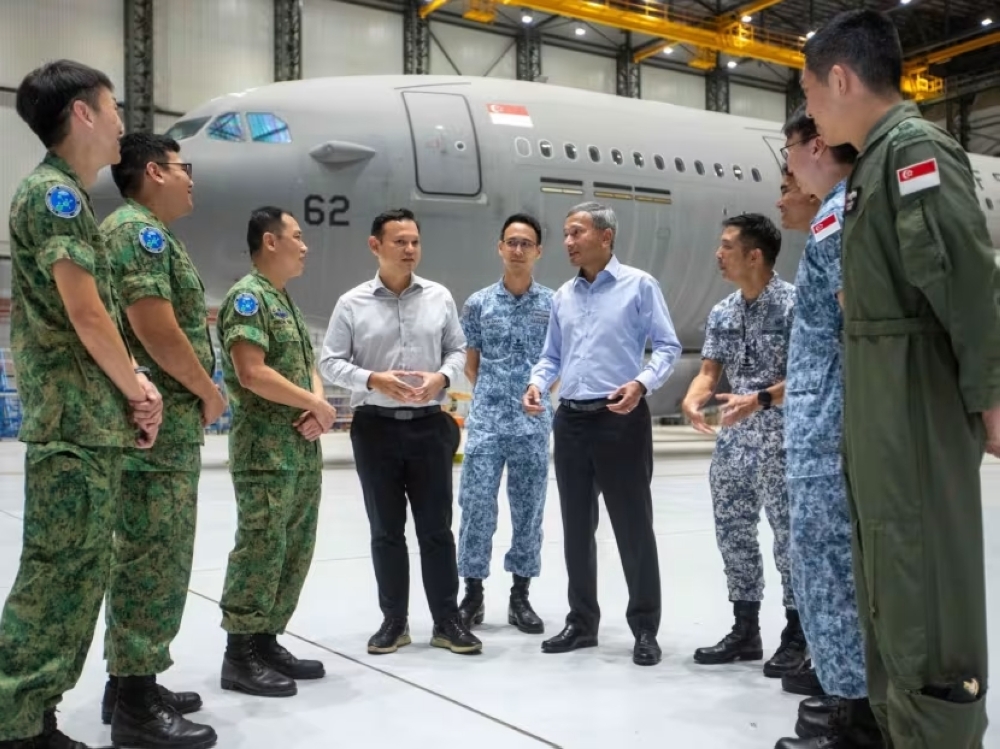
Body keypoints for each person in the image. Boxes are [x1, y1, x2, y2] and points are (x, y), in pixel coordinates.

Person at [803, 9, 1000, 746]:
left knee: (920, 586)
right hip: (882, 400)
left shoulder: (913, 151)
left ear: (844, 78)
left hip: (912, 404)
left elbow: (966, 282)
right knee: (886, 579)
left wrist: (990, 395)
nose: (813, 115)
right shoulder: (875, 164)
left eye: (812, 91)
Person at [0, 60, 163, 749]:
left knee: (77, 575)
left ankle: (32, 716)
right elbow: (87, 312)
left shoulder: (66, 193)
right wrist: (140, 387)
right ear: (83, 114)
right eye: (113, 106)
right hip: (74, 422)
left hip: (86, 425)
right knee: (56, 577)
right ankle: (13, 720)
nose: (124, 121)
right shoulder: (56, 199)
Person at [100, 132, 221, 747]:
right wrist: (208, 389)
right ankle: (137, 705)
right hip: (159, 427)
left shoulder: (148, 233)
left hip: (162, 429)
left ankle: (128, 684)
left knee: (149, 553)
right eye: (183, 168)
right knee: (154, 556)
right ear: (154, 171)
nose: (191, 179)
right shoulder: (138, 232)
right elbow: (154, 326)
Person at [523, 201, 681, 667]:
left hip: (620, 417)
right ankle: (582, 621)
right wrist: (536, 383)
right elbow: (552, 355)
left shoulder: (639, 285)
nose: (567, 242)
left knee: (633, 528)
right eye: (566, 234)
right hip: (570, 420)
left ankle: (645, 628)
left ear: (605, 237)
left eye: (576, 233)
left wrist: (641, 383)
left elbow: (667, 347)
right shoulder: (563, 297)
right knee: (575, 528)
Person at [319, 208, 481, 656]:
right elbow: (330, 361)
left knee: (437, 530)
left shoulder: (439, 297)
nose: (410, 250)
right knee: (385, 530)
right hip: (376, 430)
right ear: (376, 246)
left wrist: (441, 379)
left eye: (415, 242)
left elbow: (457, 349)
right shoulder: (352, 304)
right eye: (400, 242)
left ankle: (447, 622)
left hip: (430, 427)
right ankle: (394, 621)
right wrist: (374, 379)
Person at [775, 107, 881, 749]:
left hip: (826, 427)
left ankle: (852, 720)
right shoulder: (840, 210)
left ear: (814, 145)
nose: (787, 168)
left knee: (827, 568)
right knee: (824, 567)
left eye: (789, 153)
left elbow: (856, 315)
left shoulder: (837, 216)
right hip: (820, 421)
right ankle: (844, 702)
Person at [216, 206, 335, 698]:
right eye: (297, 236)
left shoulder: (281, 300)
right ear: (270, 242)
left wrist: (319, 402)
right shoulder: (248, 299)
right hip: (266, 454)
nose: (304, 246)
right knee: (262, 549)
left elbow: (305, 366)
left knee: (293, 549)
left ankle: (266, 640)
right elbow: (251, 372)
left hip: (299, 451)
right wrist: (314, 403)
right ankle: (239, 653)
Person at [682, 214, 805, 679]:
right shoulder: (723, 311)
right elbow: (710, 371)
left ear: (755, 255)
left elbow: (810, 376)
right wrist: (695, 397)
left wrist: (761, 399)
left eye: (727, 246)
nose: (718, 253)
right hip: (734, 444)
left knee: (788, 541)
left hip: (784, 442)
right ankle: (745, 628)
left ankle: (797, 632)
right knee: (733, 534)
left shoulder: (796, 306)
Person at [455, 213, 554, 634]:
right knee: (476, 506)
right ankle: (473, 593)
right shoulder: (479, 303)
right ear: (500, 248)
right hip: (487, 424)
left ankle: (521, 595)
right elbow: (471, 363)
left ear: (538, 252)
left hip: (533, 425)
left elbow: (557, 362)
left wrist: (541, 395)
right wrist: (496, 395)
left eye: (526, 243)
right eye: (511, 242)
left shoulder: (553, 304)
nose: (517, 250)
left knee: (529, 510)